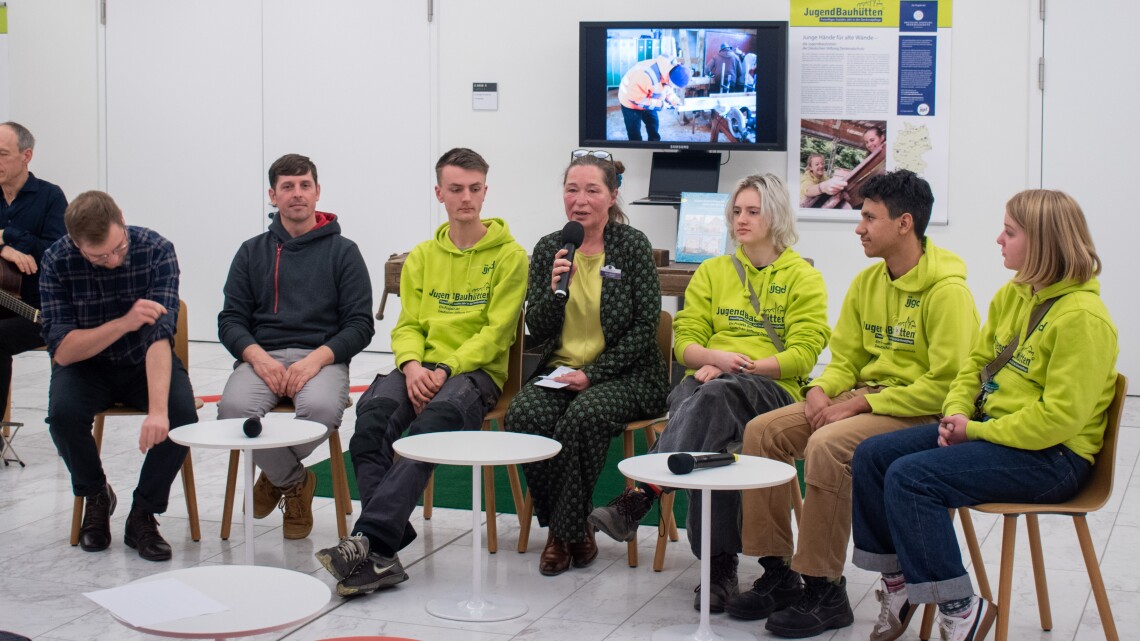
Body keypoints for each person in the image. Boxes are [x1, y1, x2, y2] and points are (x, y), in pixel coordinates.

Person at [851, 190, 1117, 641]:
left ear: (1044, 243)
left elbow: (1058, 420)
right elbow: (974, 366)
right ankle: (898, 584)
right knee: (873, 456)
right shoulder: (1014, 296)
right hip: (996, 434)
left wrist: (974, 430)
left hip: (1054, 458)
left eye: (1010, 232)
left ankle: (960, 610)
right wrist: (957, 411)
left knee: (912, 478)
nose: (998, 239)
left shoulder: (1084, 320)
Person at [726, 170, 980, 638]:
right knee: (763, 431)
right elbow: (845, 358)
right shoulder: (868, 282)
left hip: (914, 410)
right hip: (861, 400)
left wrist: (860, 406)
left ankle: (824, 588)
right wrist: (823, 389)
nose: (858, 227)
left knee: (828, 444)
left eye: (868, 217)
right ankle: (777, 571)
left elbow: (948, 385)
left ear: (905, 224)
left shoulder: (948, 292)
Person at [589, 174, 831, 611]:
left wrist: (744, 366)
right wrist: (716, 360)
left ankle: (646, 495)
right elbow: (685, 343)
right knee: (709, 430)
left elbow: (805, 352)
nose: (741, 219)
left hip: (774, 387)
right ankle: (718, 569)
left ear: (774, 215)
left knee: (709, 398)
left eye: (752, 211)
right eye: (736, 211)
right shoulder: (714, 271)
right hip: (710, 384)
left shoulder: (802, 276)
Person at [314, 148, 527, 597]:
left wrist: (446, 367)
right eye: (455, 189)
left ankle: (369, 541)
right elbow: (407, 324)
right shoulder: (422, 256)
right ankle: (383, 548)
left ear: (485, 191)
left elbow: (497, 333)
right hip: (419, 368)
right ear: (439, 193)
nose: (465, 198)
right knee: (370, 422)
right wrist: (412, 367)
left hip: (475, 375)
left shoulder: (510, 257)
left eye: (474, 189)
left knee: (428, 429)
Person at [506, 149, 668, 577]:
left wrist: (592, 374)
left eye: (592, 190)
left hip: (627, 374)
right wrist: (557, 288)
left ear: (612, 196)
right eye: (571, 189)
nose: (580, 199)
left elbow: (644, 328)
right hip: (560, 370)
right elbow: (537, 331)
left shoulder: (631, 247)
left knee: (584, 415)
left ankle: (561, 537)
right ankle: (575, 528)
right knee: (523, 415)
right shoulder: (549, 249)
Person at [217, 153, 374, 540]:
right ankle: (294, 481)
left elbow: (360, 325)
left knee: (320, 408)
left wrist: (315, 361)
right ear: (272, 195)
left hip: (321, 359)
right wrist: (257, 358)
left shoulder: (344, 252)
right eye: (287, 187)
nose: (297, 194)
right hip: (261, 357)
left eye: (305, 185)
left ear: (318, 192)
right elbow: (230, 320)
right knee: (232, 413)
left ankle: (275, 479)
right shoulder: (251, 251)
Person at [39, 191, 198, 561]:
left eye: (117, 248)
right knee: (62, 416)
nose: (111, 261)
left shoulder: (155, 249)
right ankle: (96, 494)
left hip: (144, 359)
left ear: (122, 220)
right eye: (98, 256)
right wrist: (125, 322)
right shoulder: (57, 260)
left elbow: (159, 336)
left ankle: (143, 513)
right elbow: (63, 350)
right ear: (76, 243)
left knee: (182, 417)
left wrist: (158, 412)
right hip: (85, 366)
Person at [0, 122, 66, 417]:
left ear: (26, 156)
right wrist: (4, 249)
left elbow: (55, 253)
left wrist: (8, 236)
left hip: (38, 311)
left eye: (2, 154)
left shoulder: (50, 197)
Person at [617, 56, 692, 142]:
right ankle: (636, 149)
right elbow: (635, 98)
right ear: (671, 80)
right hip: (630, 102)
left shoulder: (669, 72)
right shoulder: (646, 76)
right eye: (675, 86)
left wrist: (674, 100)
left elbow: (667, 88)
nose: (675, 88)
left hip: (647, 98)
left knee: (653, 124)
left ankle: (654, 145)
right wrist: (660, 105)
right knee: (634, 132)